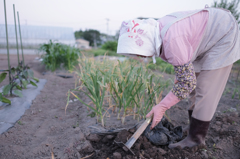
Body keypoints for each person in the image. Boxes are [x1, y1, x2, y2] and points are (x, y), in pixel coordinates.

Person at [116, 5, 240, 149]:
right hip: (205, 37)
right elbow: (184, 69)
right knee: (194, 85)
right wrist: (181, 76)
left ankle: (196, 140)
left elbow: (186, 83)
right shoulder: (159, 31)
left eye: (139, 52)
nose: (139, 56)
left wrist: (162, 106)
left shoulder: (171, 38)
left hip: (223, 32)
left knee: (205, 88)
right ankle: (193, 127)